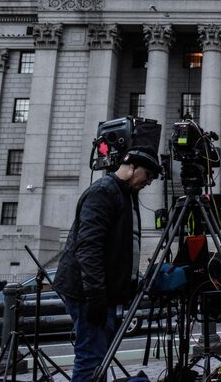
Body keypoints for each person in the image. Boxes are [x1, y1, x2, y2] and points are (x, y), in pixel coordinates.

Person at [53, 146, 161, 382]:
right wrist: (96, 298)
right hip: (89, 293)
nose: (149, 182)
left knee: (98, 358)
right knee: (91, 358)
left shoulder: (124, 194)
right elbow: (88, 248)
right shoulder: (103, 192)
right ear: (132, 167)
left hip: (103, 293)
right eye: (148, 175)